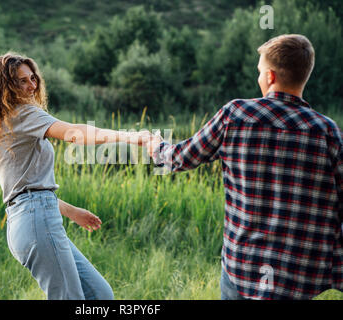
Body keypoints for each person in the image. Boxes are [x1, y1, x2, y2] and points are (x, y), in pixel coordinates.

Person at [144, 34, 343, 300]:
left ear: (270, 77)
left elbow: (180, 158)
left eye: (260, 71)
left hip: (243, 267)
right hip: (298, 274)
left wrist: (157, 146)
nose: (259, 77)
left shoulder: (235, 115)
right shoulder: (327, 131)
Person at [0, 52, 144, 300]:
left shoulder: (0, 123)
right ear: (6, 87)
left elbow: (25, 187)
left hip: (29, 219)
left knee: (100, 295)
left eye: (33, 78)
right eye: (22, 81)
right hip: (35, 220)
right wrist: (130, 137)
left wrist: (71, 211)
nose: (32, 85)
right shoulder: (22, 114)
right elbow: (74, 133)